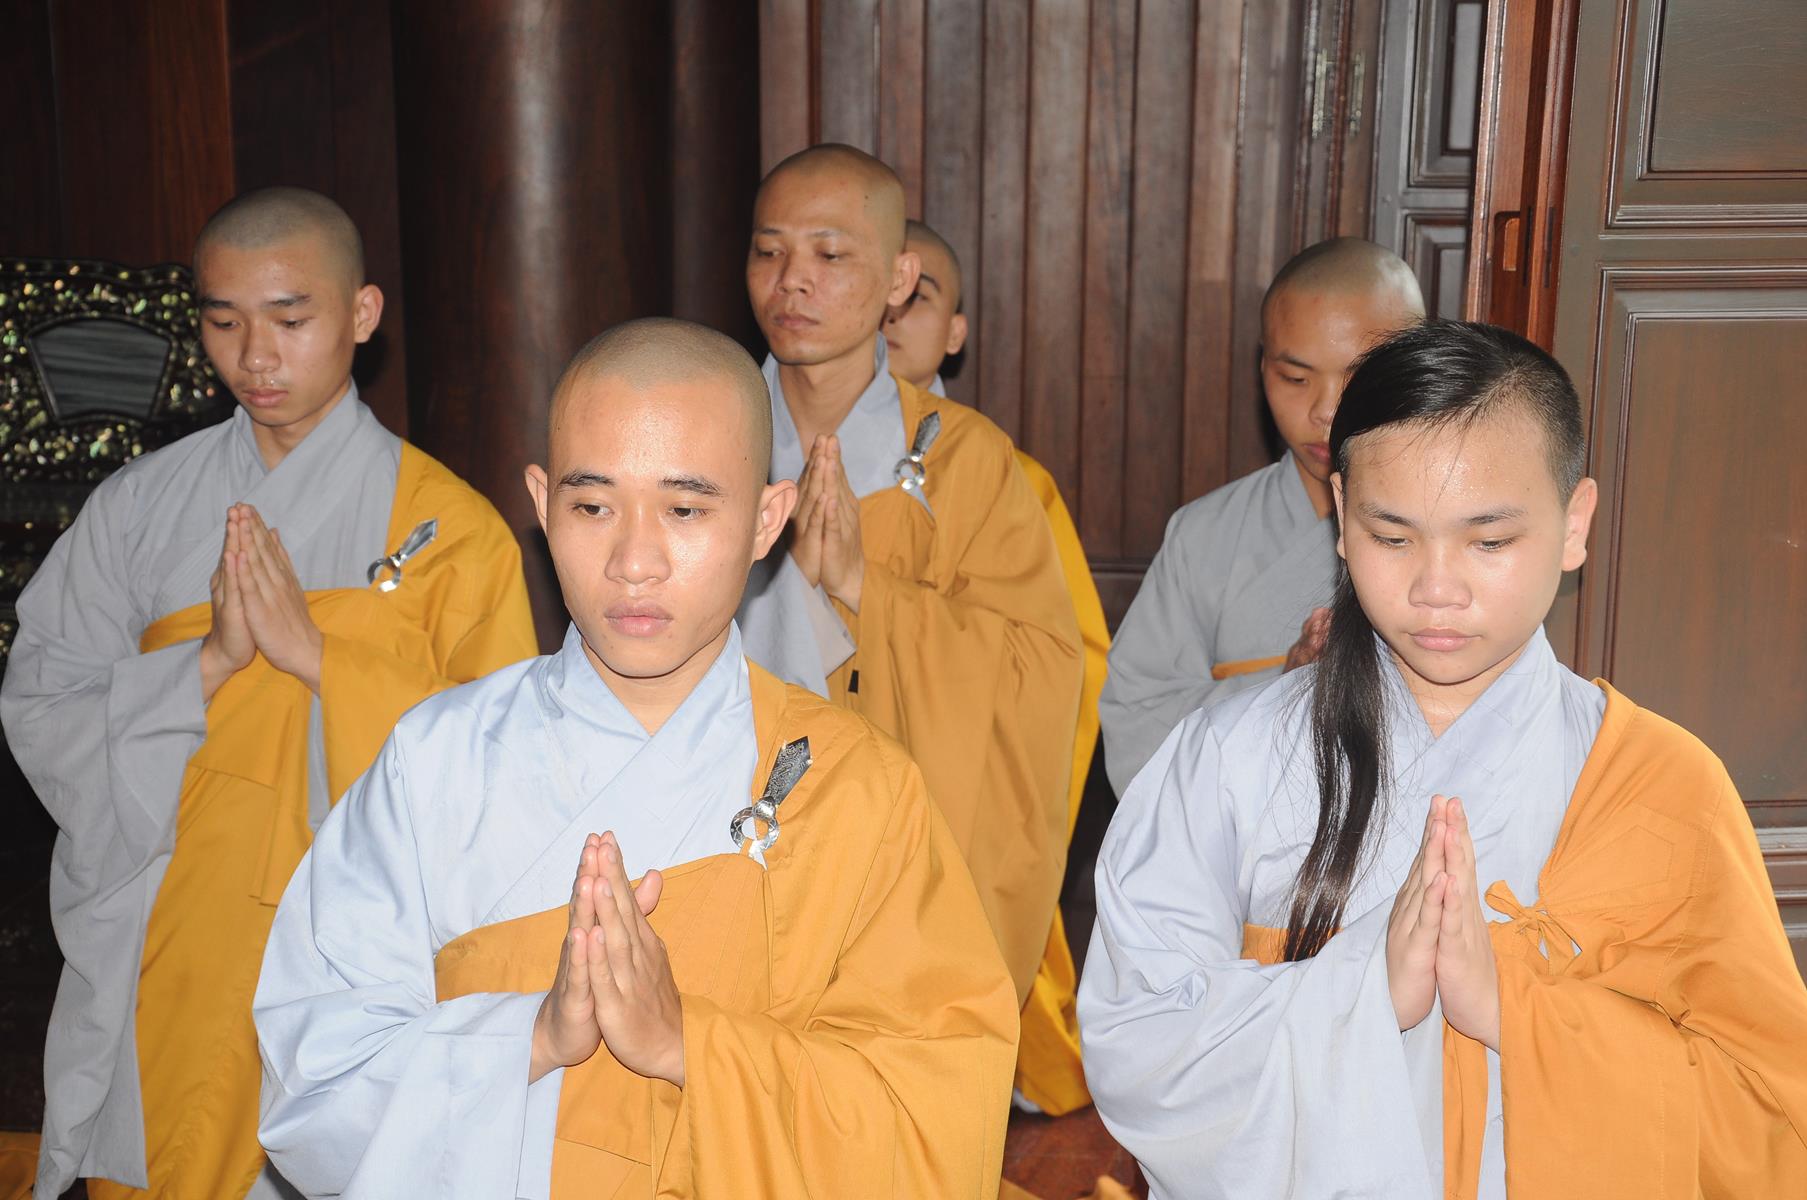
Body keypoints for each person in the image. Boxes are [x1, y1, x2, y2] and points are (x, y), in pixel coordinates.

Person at [253, 318, 1020, 1198]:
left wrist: (685, 1043)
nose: (634, 562)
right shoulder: (433, 761)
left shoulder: (857, 789)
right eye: (592, 507)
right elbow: (314, 1083)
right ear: (541, 504)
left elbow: (932, 1114)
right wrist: (533, 1037)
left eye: (685, 510)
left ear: (767, 519)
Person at [1077, 320, 1807, 1198]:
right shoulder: (1226, 757)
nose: (1435, 589)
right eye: (1392, 537)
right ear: (1342, 515)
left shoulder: (1660, 786)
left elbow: (1768, 1115)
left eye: (1488, 542)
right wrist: (1364, 995)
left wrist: (1508, 1011)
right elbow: (1137, 1044)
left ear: (1574, 525)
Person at [0, 187, 538, 1200]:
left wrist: (321, 660)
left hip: (363, 959)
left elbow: (507, 770)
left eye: (290, 320)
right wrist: (205, 663)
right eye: (223, 321)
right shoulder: (138, 509)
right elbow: (45, 702)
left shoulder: (454, 532)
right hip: (181, 946)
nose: (255, 357)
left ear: (361, 315)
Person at [737, 144, 1085, 1009]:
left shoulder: (970, 461)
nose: (791, 281)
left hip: (894, 855)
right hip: (723, 841)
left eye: (828, 254)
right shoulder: (704, 435)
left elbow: (1042, 672)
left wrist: (867, 589)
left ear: (898, 279)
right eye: (768, 250)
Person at [884, 217, 1107, 1116]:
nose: (889, 310)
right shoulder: (759, 457)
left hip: (955, 788)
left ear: (956, 333)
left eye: (917, 295)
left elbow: (1066, 663)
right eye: (875, 286)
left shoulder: (1001, 474)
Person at [1098, 237, 1423, 796]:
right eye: (1295, 379)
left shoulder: (1464, 531)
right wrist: (1284, 689)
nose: (1325, 411)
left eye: (1358, 377)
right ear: (1262, 367)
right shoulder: (1204, 536)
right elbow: (1136, 728)